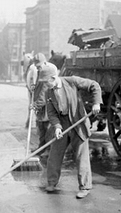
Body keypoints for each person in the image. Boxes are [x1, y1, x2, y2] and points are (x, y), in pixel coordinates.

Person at [38, 64, 103, 199]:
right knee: (54, 154)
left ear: (54, 77)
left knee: (81, 156)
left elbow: (94, 85)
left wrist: (96, 103)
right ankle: (51, 182)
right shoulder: (49, 91)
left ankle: (84, 187)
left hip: (77, 122)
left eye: (46, 81)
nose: (45, 85)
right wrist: (56, 126)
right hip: (62, 124)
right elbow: (51, 112)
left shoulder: (71, 81)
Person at [31, 53, 58, 157]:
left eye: (39, 65)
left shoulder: (47, 71)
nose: (38, 67)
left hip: (48, 103)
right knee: (42, 126)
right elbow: (39, 87)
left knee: (46, 127)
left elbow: (43, 92)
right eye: (37, 66)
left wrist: (36, 105)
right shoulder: (41, 70)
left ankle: (47, 149)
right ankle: (42, 147)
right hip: (44, 103)